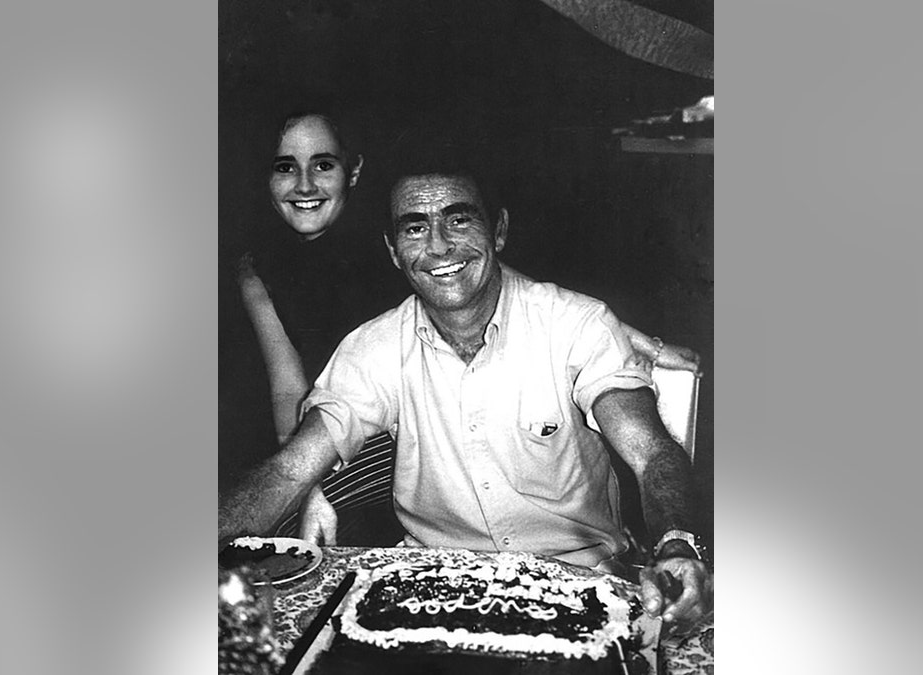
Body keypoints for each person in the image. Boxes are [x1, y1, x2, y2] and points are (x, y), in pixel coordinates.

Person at [220, 154, 713, 631]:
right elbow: (289, 469)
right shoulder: (372, 348)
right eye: (414, 227)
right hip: (427, 590)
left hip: (580, 586)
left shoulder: (575, 325)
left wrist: (677, 543)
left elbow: (650, 453)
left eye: (458, 221)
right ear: (393, 250)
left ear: (498, 231)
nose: (438, 247)